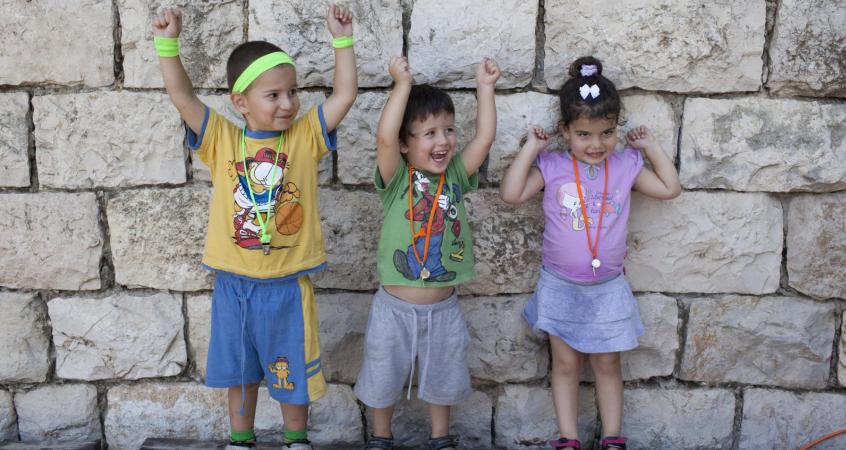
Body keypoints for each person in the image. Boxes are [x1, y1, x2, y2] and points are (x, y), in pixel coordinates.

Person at [152, 5, 357, 449]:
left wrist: (342, 41)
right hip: (234, 285)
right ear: (240, 102)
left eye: (292, 92)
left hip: (287, 286)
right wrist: (168, 46)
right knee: (240, 373)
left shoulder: (304, 137)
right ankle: (240, 441)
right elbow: (183, 98)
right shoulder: (221, 139)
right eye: (273, 95)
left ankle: (296, 440)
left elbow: (343, 97)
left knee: (292, 373)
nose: (288, 103)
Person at [500, 56, 681, 450]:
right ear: (565, 131)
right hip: (561, 285)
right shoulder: (552, 166)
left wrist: (650, 146)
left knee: (607, 363)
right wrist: (532, 148)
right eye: (584, 134)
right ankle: (568, 438)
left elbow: (670, 188)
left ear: (616, 129)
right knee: (565, 365)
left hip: (608, 287)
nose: (596, 144)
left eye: (606, 133)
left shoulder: (627, 165)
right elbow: (512, 194)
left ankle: (613, 438)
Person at [353, 56, 500, 450]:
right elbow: (384, 138)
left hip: (444, 306)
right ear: (406, 144)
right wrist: (401, 84)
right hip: (394, 307)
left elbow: (483, 140)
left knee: (443, 374)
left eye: (449, 131)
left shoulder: (455, 176)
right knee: (384, 372)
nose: (443, 141)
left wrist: (485, 88)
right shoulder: (397, 178)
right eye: (429, 133)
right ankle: (380, 437)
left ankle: (440, 438)